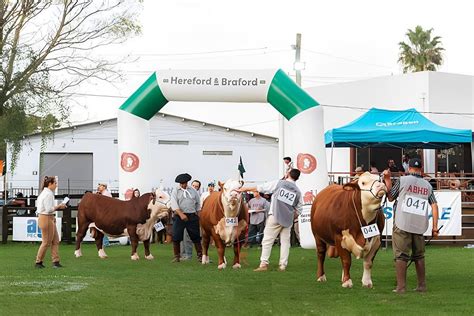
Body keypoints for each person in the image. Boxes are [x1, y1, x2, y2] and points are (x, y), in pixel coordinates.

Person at [383, 158, 439, 293]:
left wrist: (387, 180)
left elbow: (390, 197)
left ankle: (401, 287)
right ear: (421, 169)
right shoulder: (427, 186)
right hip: (419, 226)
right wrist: (435, 227)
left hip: (402, 223)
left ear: (409, 168)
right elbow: (435, 205)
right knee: (419, 256)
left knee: (401, 255)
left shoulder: (402, 180)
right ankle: (421, 286)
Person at [238, 168, 303, 272]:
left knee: (267, 240)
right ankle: (283, 265)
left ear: (288, 174)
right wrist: (291, 217)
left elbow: (261, 187)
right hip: (288, 220)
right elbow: (299, 209)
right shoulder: (298, 191)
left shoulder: (279, 183)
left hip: (275, 216)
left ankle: (263, 264)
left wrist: (243, 189)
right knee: (285, 242)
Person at [34, 176, 67, 268]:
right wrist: (59, 206)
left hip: (47, 217)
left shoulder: (44, 193)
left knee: (55, 240)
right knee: (46, 242)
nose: (56, 185)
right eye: (55, 183)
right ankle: (38, 262)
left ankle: (55, 261)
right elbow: (48, 209)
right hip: (46, 217)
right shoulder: (48, 194)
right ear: (50, 184)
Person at [170, 173, 202, 262]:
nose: (182, 185)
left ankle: (200, 256)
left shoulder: (193, 191)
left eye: (184, 183)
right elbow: (174, 204)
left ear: (187, 182)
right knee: (176, 236)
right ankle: (177, 256)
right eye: (181, 183)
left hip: (192, 216)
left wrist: (199, 215)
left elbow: (198, 204)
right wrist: (181, 214)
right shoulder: (175, 191)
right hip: (179, 216)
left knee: (196, 237)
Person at [181, 179, 201, 260]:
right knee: (183, 236)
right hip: (183, 217)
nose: (195, 187)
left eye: (197, 186)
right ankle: (185, 254)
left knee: (192, 237)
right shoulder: (183, 193)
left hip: (194, 217)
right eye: (193, 186)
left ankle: (193, 255)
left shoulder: (197, 196)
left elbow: (198, 207)